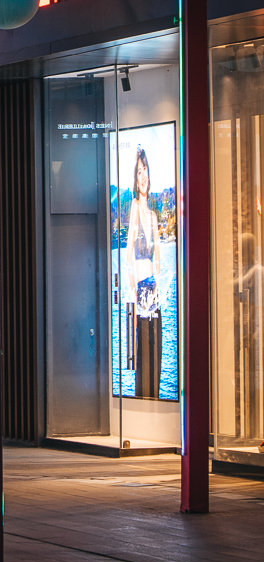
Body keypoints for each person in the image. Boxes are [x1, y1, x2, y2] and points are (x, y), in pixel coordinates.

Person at [126, 145, 162, 400]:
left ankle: (156, 398)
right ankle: (142, 399)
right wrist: (134, 292)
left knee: (156, 347)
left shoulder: (153, 215)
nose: (143, 176)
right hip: (140, 292)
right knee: (142, 349)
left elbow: (158, 256)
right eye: (139, 171)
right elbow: (128, 255)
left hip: (154, 291)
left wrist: (157, 284)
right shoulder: (135, 208)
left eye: (145, 170)